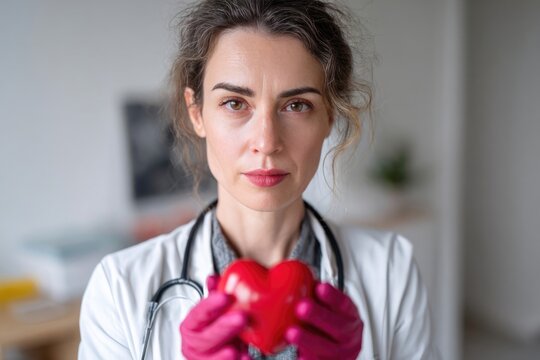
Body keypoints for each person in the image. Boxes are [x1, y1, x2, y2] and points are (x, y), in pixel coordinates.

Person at [79, 0, 438, 359]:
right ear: (196, 113)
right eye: (235, 103)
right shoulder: (118, 288)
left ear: (329, 116)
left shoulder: (391, 269)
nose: (266, 142)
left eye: (296, 105)